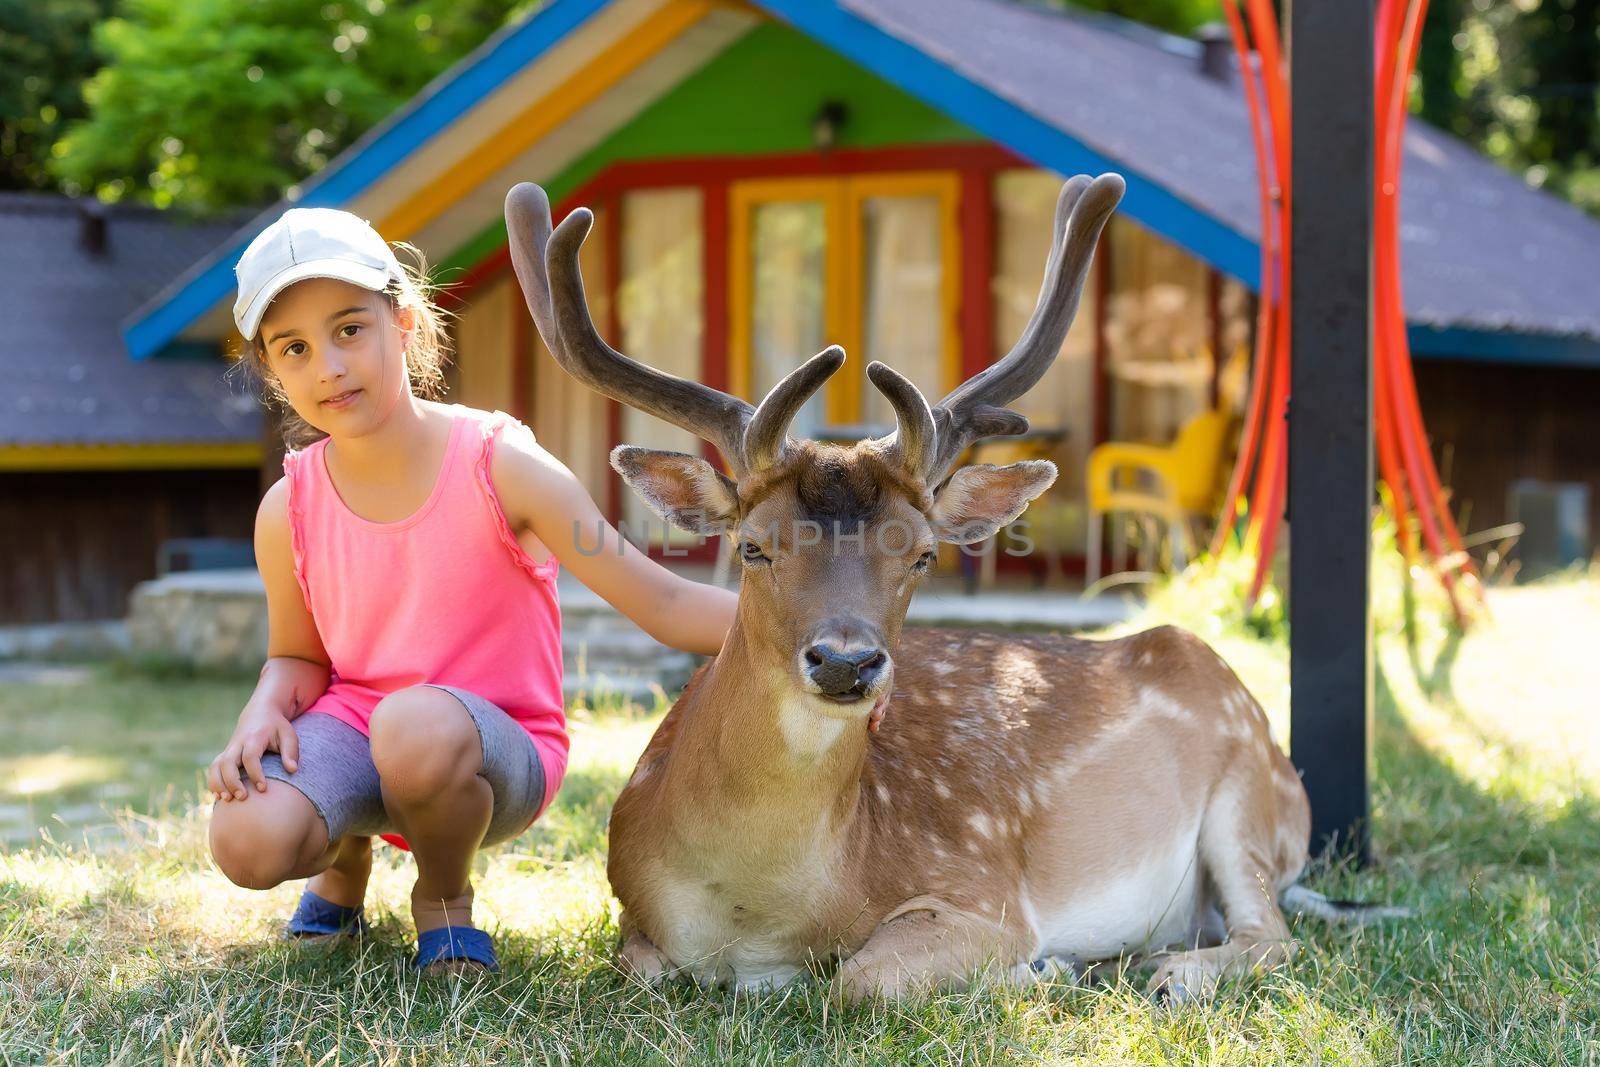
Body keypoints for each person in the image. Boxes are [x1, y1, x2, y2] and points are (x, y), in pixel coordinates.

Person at [205, 207, 888, 975]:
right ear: (270, 367)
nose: (328, 364)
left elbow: (659, 602)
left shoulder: (502, 465)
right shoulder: (287, 508)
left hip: (492, 750)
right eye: (294, 348)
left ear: (403, 323)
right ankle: (345, 860)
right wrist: (263, 707)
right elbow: (298, 658)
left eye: (350, 329)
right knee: (246, 839)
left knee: (415, 725)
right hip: (364, 728)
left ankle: (443, 900)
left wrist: (833, 644)